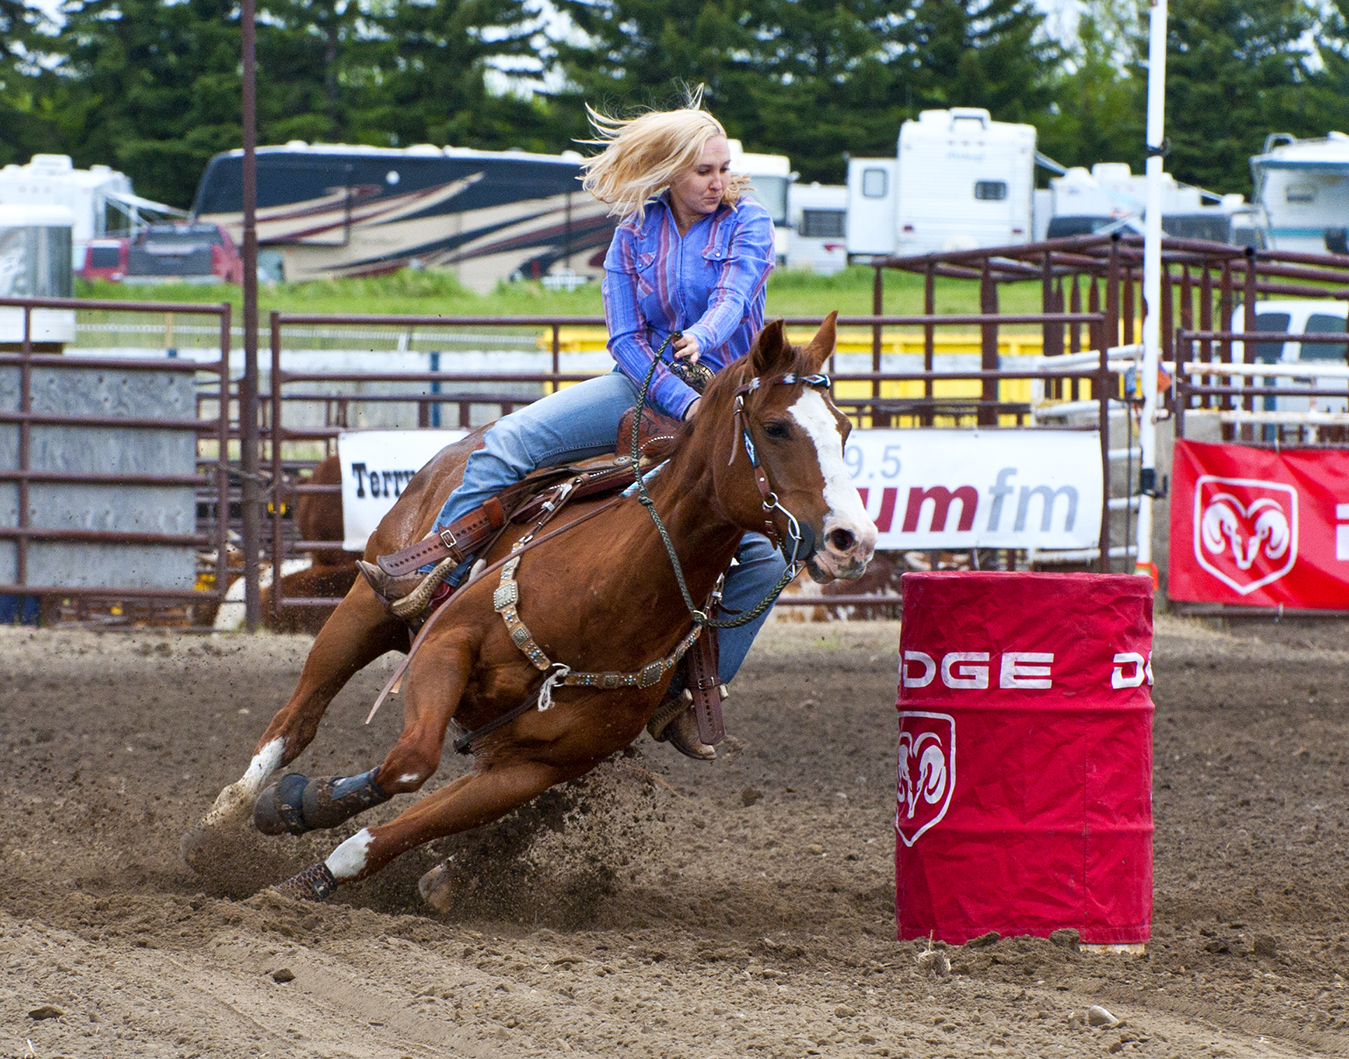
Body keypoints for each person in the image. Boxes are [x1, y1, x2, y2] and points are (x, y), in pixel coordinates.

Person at [361, 92, 786, 759]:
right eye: (703, 170)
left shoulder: (747, 222)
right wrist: (681, 398)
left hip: (729, 395)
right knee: (509, 443)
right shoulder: (632, 236)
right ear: (667, 173)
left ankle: (682, 691)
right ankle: (444, 575)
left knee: (767, 552)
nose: (717, 182)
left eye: (723, 168)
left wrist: (701, 345)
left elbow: (735, 300)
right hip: (649, 383)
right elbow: (624, 338)